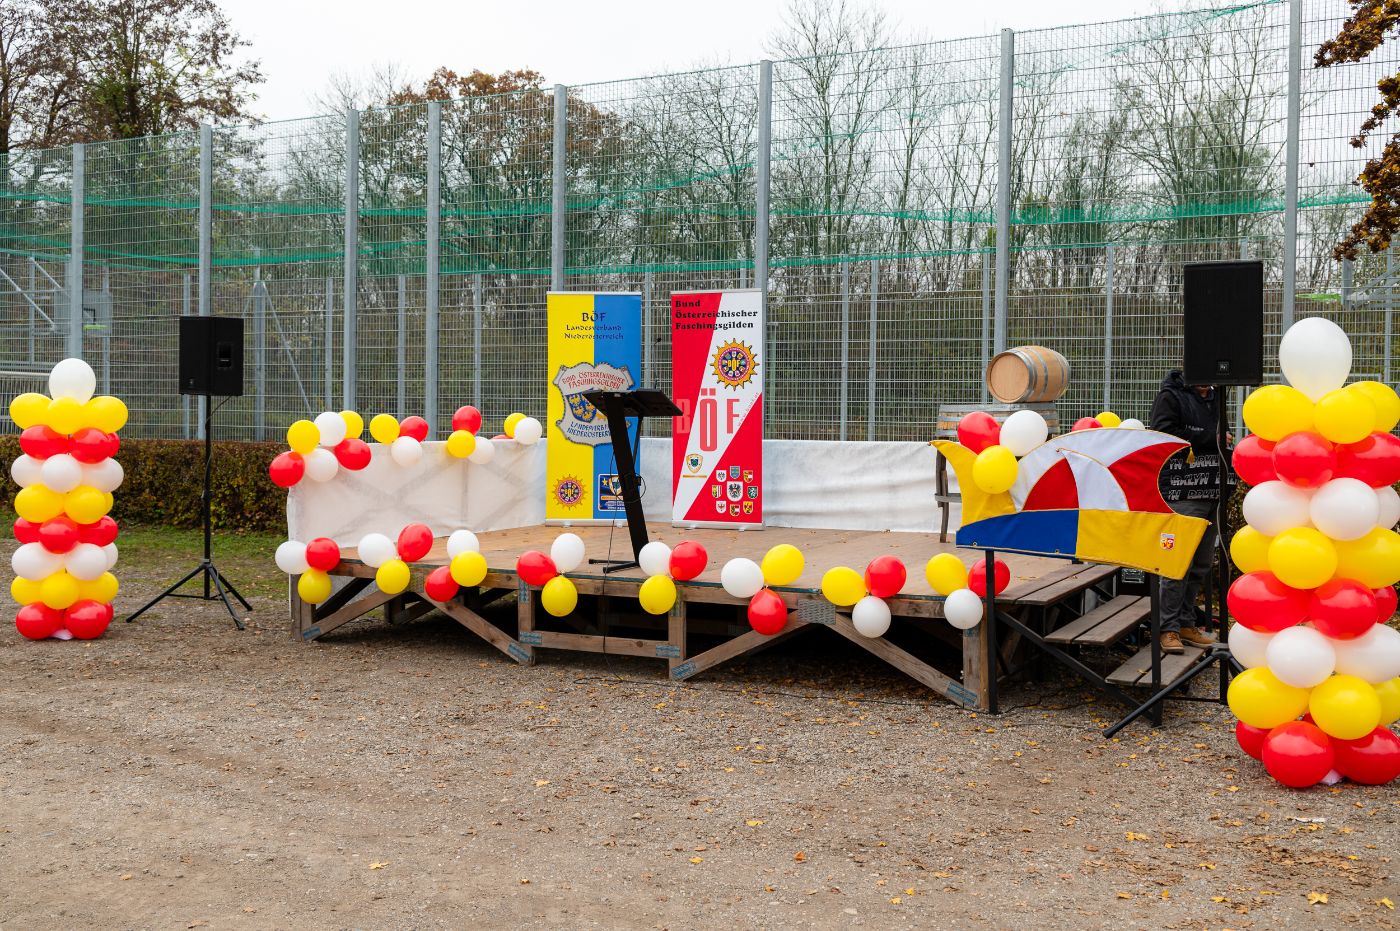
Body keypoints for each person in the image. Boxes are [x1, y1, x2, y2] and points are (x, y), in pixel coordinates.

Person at [1149, 370, 1230, 654]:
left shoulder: (1216, 397)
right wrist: (1211, 437)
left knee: (1200, 565)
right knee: (1177, 565)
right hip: (1181, 492)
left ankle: (1185, 624)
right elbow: (1163, 434)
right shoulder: (1171, 396)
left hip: (1211, 490)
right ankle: (1167, 629)